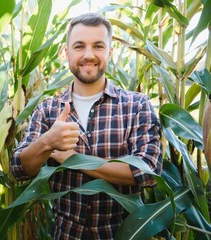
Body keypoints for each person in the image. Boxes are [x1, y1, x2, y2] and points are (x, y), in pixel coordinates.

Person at [10, 13, 162, 240]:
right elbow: (18, 169)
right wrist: (47, 142)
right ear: (66, 52)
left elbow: (148, 172)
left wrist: (73, 159)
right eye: (79, 46)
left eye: (98, 46)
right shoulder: (48, 110)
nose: (89, 55)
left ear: (110, 52)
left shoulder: (137, 106)